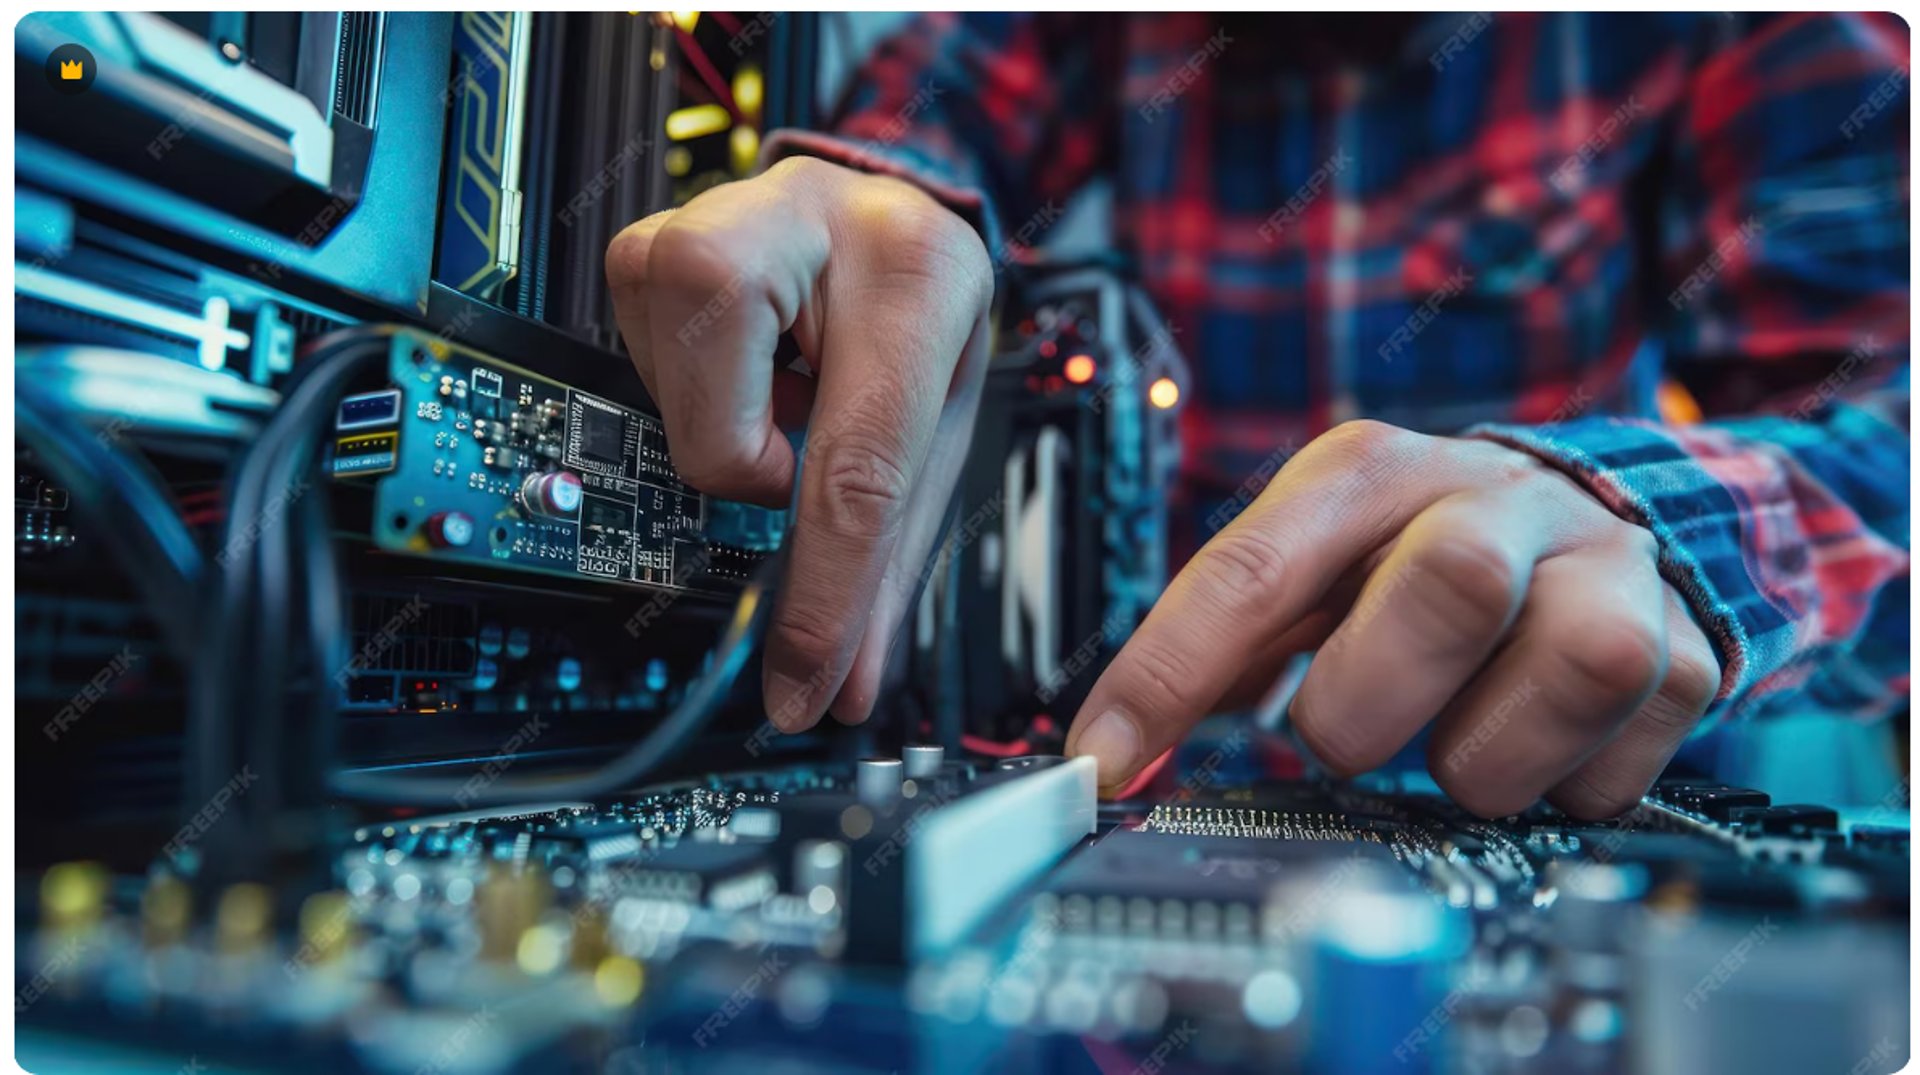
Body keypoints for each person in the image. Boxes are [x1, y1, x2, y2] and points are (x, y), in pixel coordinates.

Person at [605, 13, 1909, 817]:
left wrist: (1667, 529)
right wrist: (867, 197)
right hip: (1172, 778)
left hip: (1565, 786)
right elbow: (929, 125)